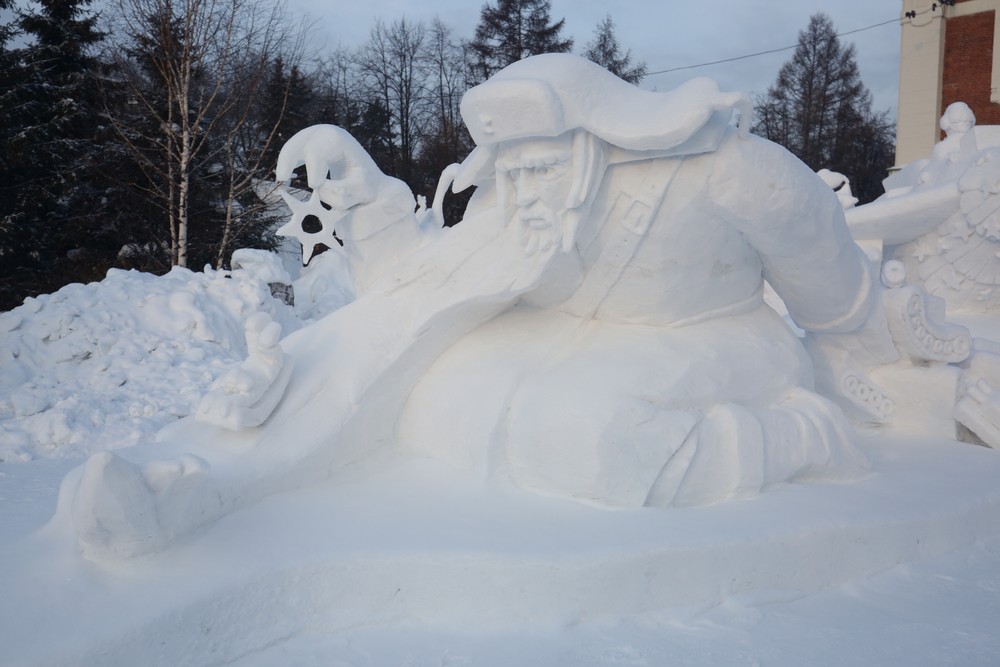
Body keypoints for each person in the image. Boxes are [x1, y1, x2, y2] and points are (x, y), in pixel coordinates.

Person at [62, 55, 901, 560]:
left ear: (596, 146)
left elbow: (838, 298)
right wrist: (367, 202)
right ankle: (197, 487)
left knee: (585, 430)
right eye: (515, 165)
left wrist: (876, 369)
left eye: (542, 166)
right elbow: (427, 287)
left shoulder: (733, 172)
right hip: (579, 341)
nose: (523, 185)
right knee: (438, 390)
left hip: (717, 337)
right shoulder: (527, 200)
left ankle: (799, 435)